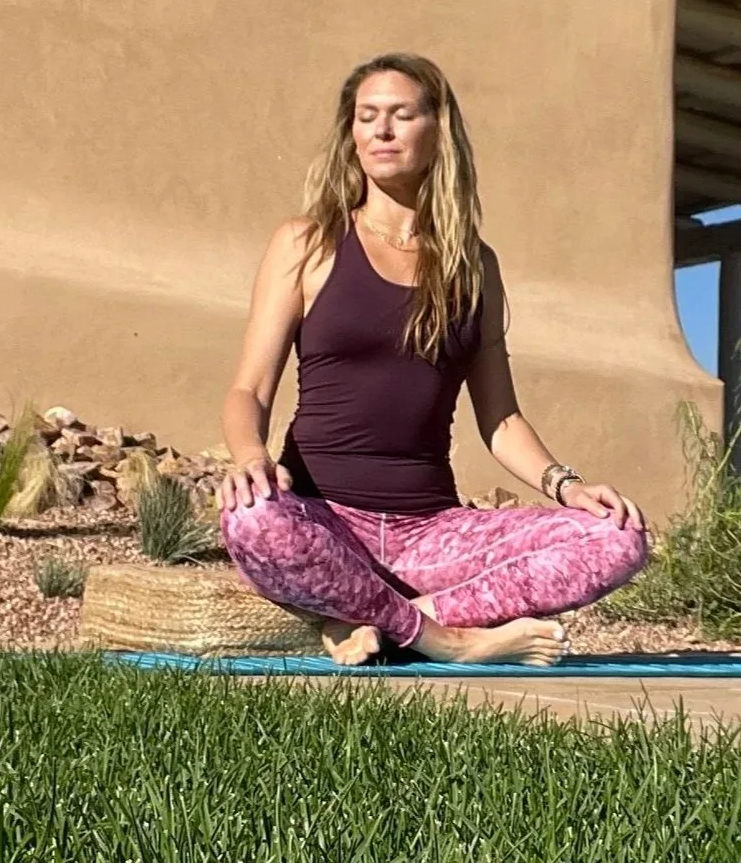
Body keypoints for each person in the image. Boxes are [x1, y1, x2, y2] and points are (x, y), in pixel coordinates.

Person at [218, 52, 647, 665]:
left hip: (432, 534)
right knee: (252, 518)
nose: (381, 130)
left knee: (617, 537)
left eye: (401, 115)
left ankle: (379, 621)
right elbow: (251, 389)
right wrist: (250, 458)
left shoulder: (474, 265)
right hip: (325, 519)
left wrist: (569, 486)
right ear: (350, 134)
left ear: (437, 129)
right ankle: (445, 641)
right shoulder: (306, 244)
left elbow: (501, 419)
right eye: (367, 116)